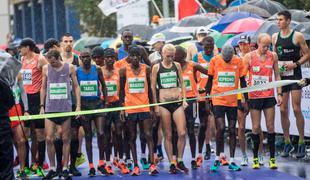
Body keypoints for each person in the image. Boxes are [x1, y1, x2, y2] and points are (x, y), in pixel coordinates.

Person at [272, 10, 310, 158]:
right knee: (282, 110)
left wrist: (295, 64)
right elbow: (275, 56)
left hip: (295, 76)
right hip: (282, 76)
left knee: (296, 108)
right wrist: (277, 67)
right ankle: (287, 141)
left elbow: (307, 54)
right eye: (277, 20)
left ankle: (301, 141)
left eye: (281, 20)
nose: (278, 22)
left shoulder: (297, 36)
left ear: (288, 21)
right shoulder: (275, 37)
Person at [205, 44, 248, 172]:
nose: (227, 61)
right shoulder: (214, 60)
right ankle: (218, 158)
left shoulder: (238, 61)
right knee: (221, 128)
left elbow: (243, 81)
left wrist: (246, 100)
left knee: (232, 130)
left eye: (229, 59)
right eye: (225, 59)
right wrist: (208, 100)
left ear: (233, 56)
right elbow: (209, 80)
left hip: (232, 101)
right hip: (218, 100)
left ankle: (232, 160)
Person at [243, 33, 282, 169]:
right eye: (264, 46)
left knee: (270, 127)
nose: (266, 48)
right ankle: (254, 158)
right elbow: (242, 77)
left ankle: (272, 158)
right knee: (255, 127)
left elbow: (277, 74)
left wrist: (279, 93)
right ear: (258, 43)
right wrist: (244, 96)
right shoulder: (249, 57)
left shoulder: (273, 56)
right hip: (254, 97)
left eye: (268, 46)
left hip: (269, 96)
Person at [41, 50, 80, 180]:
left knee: (65, 139)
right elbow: (43, 88)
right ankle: (52, 168)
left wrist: (78, 106)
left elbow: (76, 86)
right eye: (49, 61)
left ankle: (65, 168)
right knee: (49, 139)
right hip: (50, 108)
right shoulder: (46, 68)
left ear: (58, 58)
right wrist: (42, 106)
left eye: (53, 61)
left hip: (65, 109)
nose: (51, 63)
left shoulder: (70, 68)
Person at [119, 45, 158, 176]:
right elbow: (120, 92)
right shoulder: (123, 70)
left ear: (140, 57)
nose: (135, 58)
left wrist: (153, 107)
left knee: (148, 134)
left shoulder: (147, 69)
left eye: (137, 56)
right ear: (128, 57)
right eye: (132, 56)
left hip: (144, 107)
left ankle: (152, 163)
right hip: (130, 108)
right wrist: (121, 108)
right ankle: (135, 165)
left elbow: (152, 91)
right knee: (132, 136)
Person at [151, 44, 188, 174]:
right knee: (168, 134)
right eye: (168, 56)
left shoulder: (176, 65)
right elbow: (152, 87)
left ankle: (179, 159)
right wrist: (155, 105)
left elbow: (182, 82)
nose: (170, 58)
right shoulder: (156, 67)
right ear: (162, 54)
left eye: (172, 56)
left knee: (182, 132)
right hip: (163, 104)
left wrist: (184, 99)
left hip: (177, 102)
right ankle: (171, 162)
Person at [174, 46, 208, 169]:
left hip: (191, 101)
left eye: (175, 55)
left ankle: (193, 158)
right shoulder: (172, 67)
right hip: (177, 102)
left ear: (182, 56)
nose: (173, 57)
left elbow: (210, 74)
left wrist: (206, 89)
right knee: (177, 131)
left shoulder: (192, 65)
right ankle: (176, 158)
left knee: (190, 128)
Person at [76, 50, 109, 176]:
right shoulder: (77, 71)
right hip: (84, 107)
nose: (85, 59)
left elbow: (104, 86)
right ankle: (91, 166)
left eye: (87, 57)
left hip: (97, 105)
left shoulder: (97, 69)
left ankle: (101, 163)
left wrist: (105, 103)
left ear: (91, 58)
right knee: (88, 135)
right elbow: (74, 88)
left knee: (101, 133)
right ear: (80, 58)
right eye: (83, 57)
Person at [19, 38, 47, 176]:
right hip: (25, 100)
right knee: (24, 135)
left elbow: (48, 76)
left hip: (37, 99)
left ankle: (39, 164)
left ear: (28, 47)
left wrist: (43, 102)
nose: (19, 50)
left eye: (21, 47)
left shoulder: (40, 59)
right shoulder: (21, 60)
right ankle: (25, 167)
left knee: (39, 134)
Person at [101, 48, 130, 174]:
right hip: (104, 106)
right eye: (107, 57)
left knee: (119, 134)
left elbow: (123, 90)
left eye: (112, 57)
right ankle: (107, 163)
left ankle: (121, 161)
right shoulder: (99, 71)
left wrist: (123, 107)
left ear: (115, 58)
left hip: (117, 105)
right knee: (107, 136)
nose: (109, 59)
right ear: (104, 58)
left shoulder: (120, 71)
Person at [236, 35, 264, 166]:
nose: (243, 46)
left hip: (253, 96)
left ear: (249, 44)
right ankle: (244, 155)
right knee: (241, 127)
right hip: (238, 97)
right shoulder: (236, 59)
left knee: (256, 126)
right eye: (240, 44)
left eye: (245, 44)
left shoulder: (254, 57)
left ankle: (260, 153)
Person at [60, 33, 86, 170]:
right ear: (61, 44)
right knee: (61, 134)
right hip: (60, 102)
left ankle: (73, 166)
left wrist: (80, 105)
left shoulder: (78, 60)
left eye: (70, 41)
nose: (69, 43)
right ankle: (60, 165)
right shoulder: (56, 60)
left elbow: (80, 83)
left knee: (75, 133)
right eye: (66, 41)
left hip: (74, 101)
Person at [192, 36, 216, 164]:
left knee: (212, 123)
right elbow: (192, 73)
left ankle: (208, 145)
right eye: (206, 47)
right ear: (202, 46)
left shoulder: (216, 56)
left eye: (210, 48)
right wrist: (196, 87)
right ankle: (204, 148)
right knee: (203, 123)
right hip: (201, 95)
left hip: (214, 94)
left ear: (213, 46)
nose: (208, 50)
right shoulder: (197, 57)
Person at [0, 52, 19, 180]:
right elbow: (10, 102)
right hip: (2, 126)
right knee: (6, 157)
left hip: (2, 125)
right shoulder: (2, 83)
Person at [9, 74, 29, 179]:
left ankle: (22, 170)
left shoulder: (17, 74)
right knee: (5, 143)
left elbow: (22, 91)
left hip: (15, 108)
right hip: (3, 108)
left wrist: (26, 109)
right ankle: (7, 171)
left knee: (21, 141)